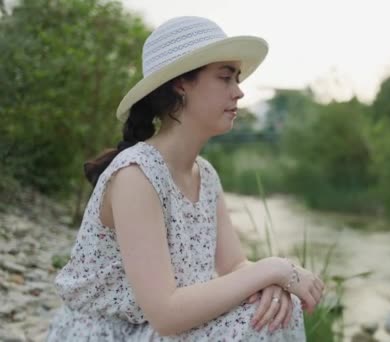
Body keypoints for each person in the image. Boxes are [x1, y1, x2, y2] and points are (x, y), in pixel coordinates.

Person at [46, 16, 324, 341]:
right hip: (112, 334)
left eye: (236, 78)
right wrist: (273, 268)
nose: (239, 91)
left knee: (277, 307)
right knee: (259, 319)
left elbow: (234, 265)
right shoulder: (136, 175)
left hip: (154, 331)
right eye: (225, 78)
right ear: (181, 84)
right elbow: (166, 313)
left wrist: (274, 283)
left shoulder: (204, 174)